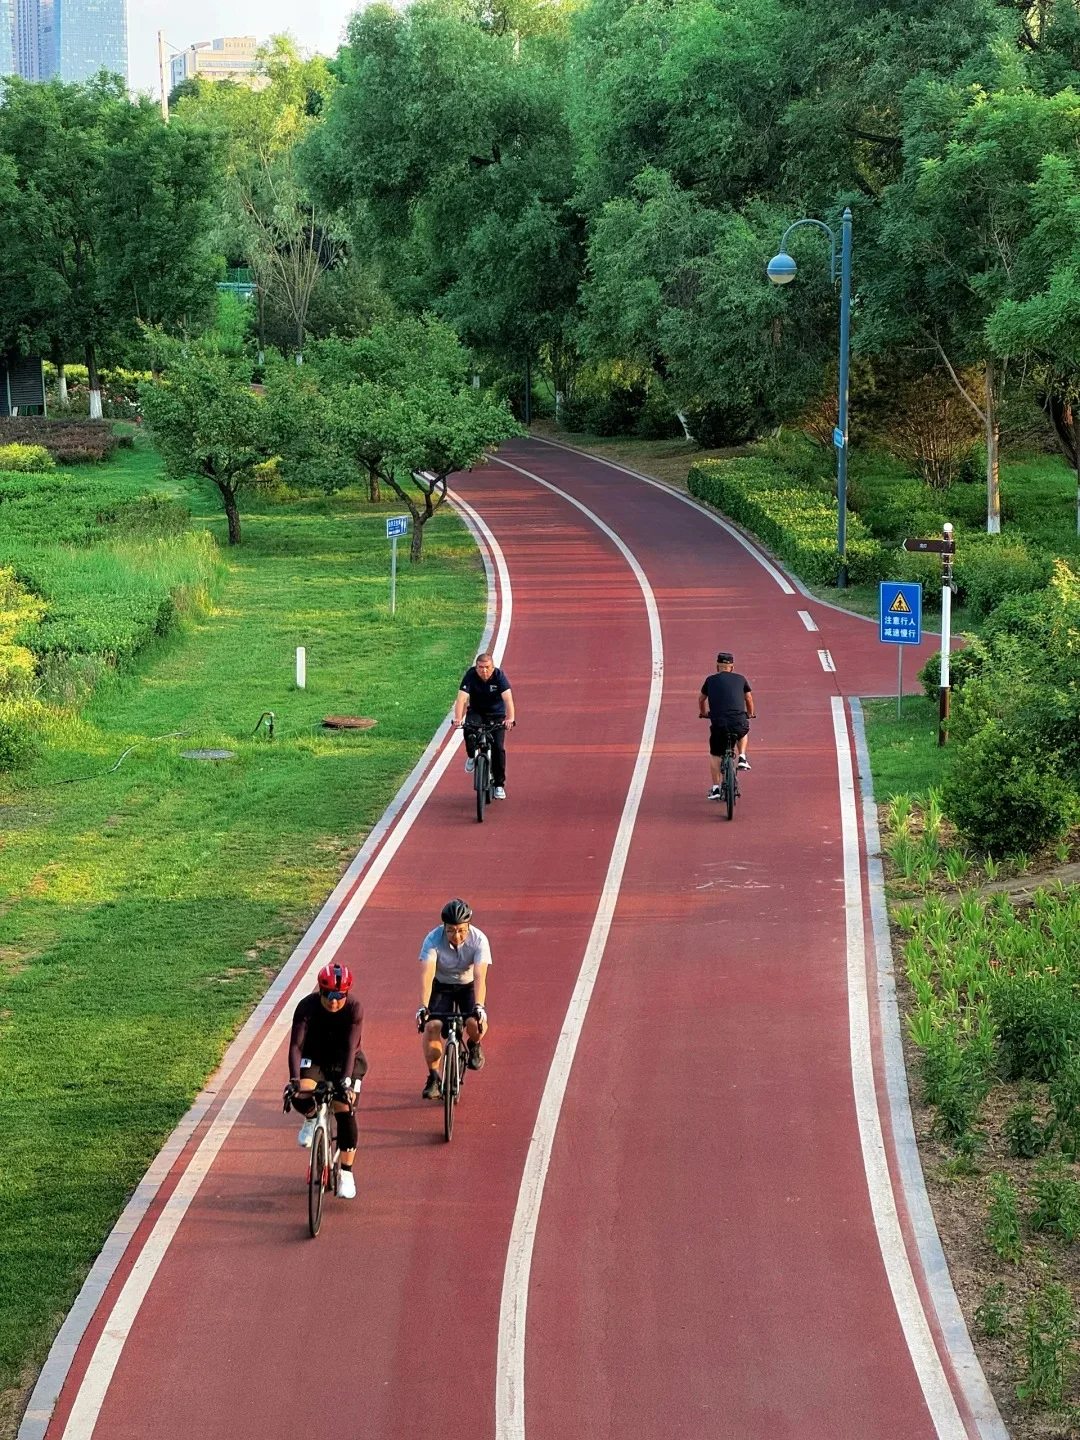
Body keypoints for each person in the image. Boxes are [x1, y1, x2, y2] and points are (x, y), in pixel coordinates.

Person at [284, 961, 367, 1200]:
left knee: (344, 1107)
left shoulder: (354, 1008)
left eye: (340, 996)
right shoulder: (306, 1007)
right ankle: (311, 1118)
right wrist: (293, 1079)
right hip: (315, 1058)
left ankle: (347, 1173)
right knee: (301, 1091)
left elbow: (351, 1047)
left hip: (346, 1061)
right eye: (328, 995)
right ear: (320, 991)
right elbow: (296, 1046)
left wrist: (346, 1083)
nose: (334, 1001)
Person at [415, 898, 490, 1099]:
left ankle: (474, 1045)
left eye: (461, 930)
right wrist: (423, 1006)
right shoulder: (432, 939)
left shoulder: (479, 940)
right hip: (441, 986)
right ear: (444, 927)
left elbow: (480, 976)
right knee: (432, 1027)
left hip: (467, 986)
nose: (456, 936)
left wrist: (479, 1006)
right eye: (450, 930)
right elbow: (427, 974)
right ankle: (433, 1077)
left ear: (469, 926)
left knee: (476, 1023)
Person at [452, 651, 515, 801]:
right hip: (476, 712)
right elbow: (461, 699)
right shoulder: (470, 675)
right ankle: (471, 756)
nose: (484, 670)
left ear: (493, 667)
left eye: (487, 667)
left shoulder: (499, 676)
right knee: (469, 731)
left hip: (496, 715)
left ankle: (499, 785)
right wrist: (458, 718)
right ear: (476, 667)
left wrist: (510, 719)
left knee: (498, 748)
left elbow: (508, 699)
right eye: (480, 667)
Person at [698, 651, 756, 800]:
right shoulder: (741, 679)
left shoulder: (710, 680)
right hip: (738, 721)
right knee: (743, 731)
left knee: (715, 754)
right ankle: (742, 757)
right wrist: (750, 713)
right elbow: (748, 698)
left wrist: (703, 713)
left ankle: (716, 788)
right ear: (732, 667)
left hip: (719, 723)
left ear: (718, 667)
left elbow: (701, 699)